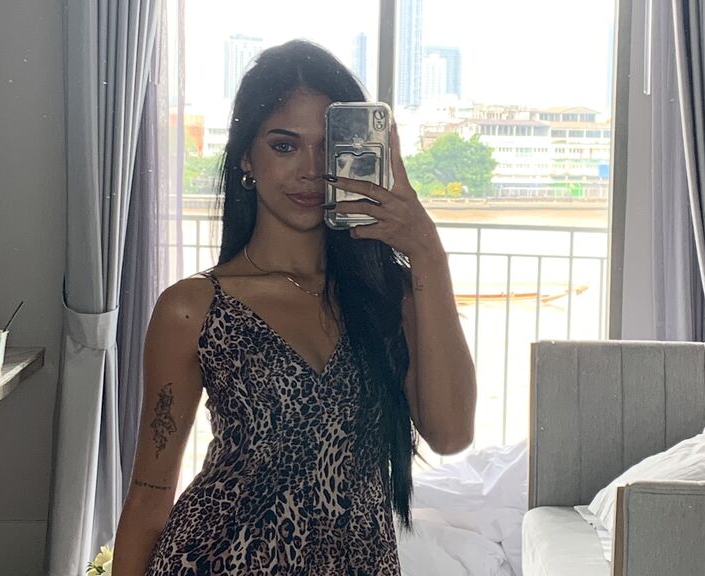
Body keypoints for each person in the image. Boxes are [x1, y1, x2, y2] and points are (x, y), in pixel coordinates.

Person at [112, 39, 476, 575]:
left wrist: (427, 251)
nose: (310, 170)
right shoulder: (193, 308)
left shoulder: (390, 297)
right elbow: (149, 492)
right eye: (284, 146)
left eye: (329, 147)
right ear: (246, 157)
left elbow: (451, 434)